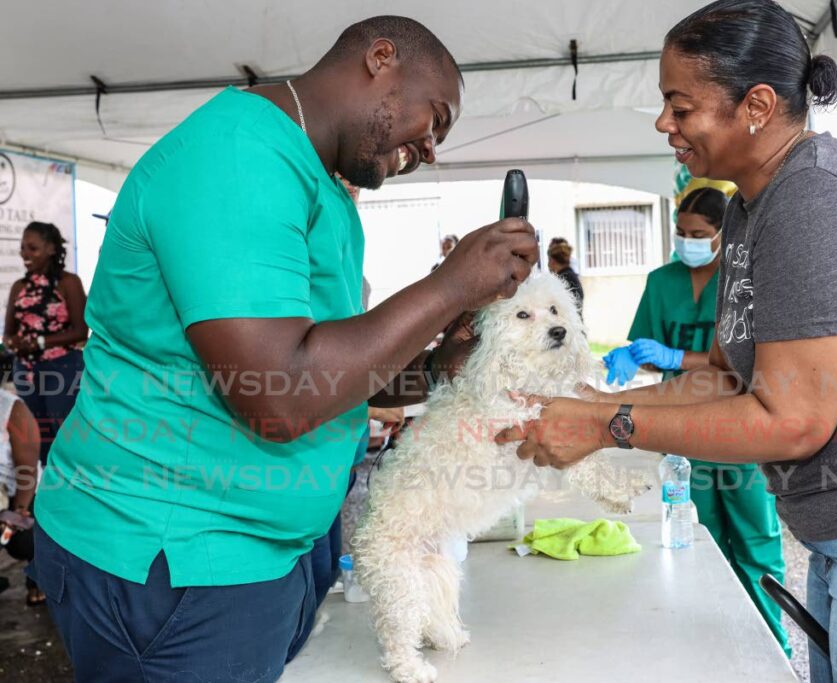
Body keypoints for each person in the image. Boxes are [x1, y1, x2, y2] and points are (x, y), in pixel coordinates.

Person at [497, 2, 837, 681]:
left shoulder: (815, 200)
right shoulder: (754, 206)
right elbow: (723, 377)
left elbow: (793, 419)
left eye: (679, 107)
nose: (664, 124)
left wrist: (605, 424)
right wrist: (590, 400)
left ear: (757, 105)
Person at [30, 15, 537, 682]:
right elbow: (275, 392)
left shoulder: (319, 186)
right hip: (172, 556)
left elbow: (335, 372)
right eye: (433, 119)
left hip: (261, 552)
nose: (432, 149)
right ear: (380, 59)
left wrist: (442, 359)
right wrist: (447, 285)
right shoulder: (237, 157)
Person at [606, 186, 790, 654]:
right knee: (698, 543)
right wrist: (632, 357)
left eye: (698, 234)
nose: (687, 241)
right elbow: (648, 349)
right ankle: (716, 653)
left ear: (721, 235)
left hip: (740, 428)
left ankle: (773, 648)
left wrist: (677, 356)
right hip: (682, 432)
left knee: (755, 546)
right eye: (680, 233)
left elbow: (741, 363)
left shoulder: (744, 281)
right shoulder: (660, 281)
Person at [3, 222, 88, 466]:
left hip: (62, 368)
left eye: (33, 248)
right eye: (22, 248)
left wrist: (39, 342)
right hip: (25, 371)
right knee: (34, 437)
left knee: (65, 435)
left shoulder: (69, 282)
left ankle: (71, 490)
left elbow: (81, 331)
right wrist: (14, 343)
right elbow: (8, 333)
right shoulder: (20, 287)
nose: (25, 254)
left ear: (51, 249)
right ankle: (36, 495)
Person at [0, 388, 42, 605]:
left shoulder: (11, 409)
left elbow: (27, 472)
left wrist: (17, 514)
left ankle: (38, 577)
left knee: (24, 543)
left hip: (21, 494)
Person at [547, 237, 583, 314]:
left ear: (552, 261)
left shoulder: (563, 279)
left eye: (549, 260)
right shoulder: (570, 275)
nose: (548, 264)